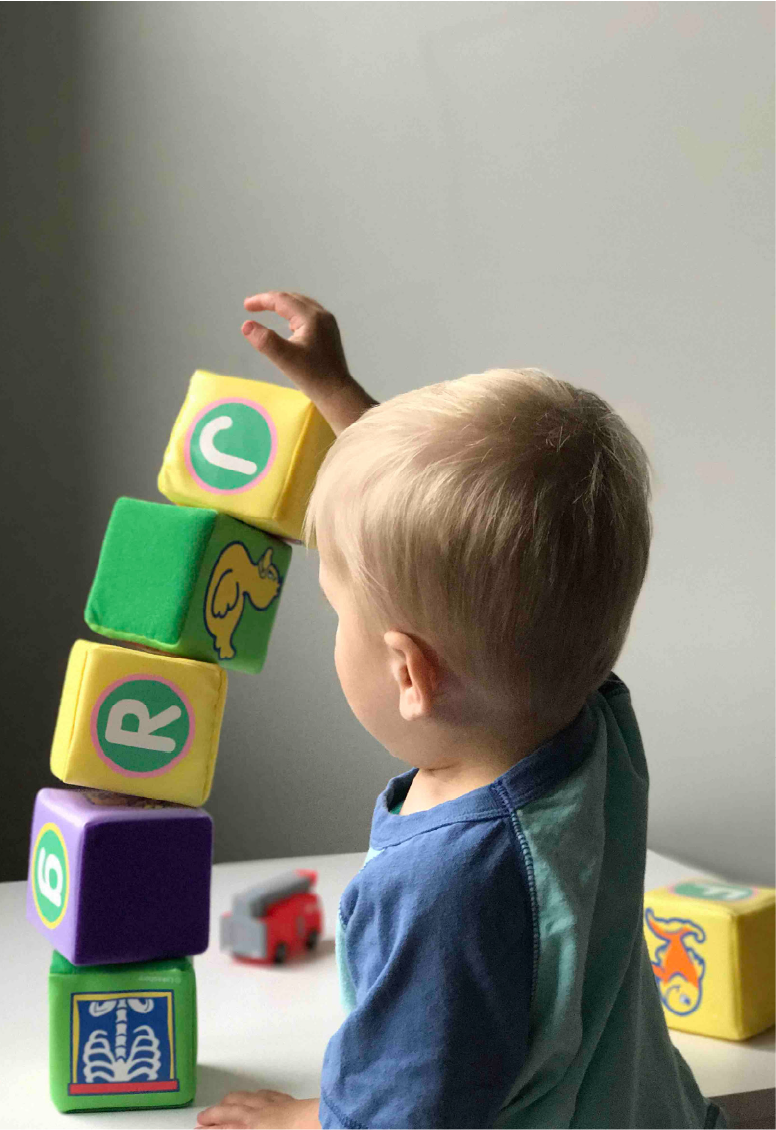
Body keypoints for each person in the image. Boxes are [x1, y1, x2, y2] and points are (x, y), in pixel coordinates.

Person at [194, 292, 729, 1130]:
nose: (338, 626)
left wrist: (304, 1119)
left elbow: (405, 1116)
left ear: (410, 671)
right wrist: (341, 401)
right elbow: (484, 560)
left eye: (340, 612)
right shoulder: (586, 721)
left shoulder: (445, 888)